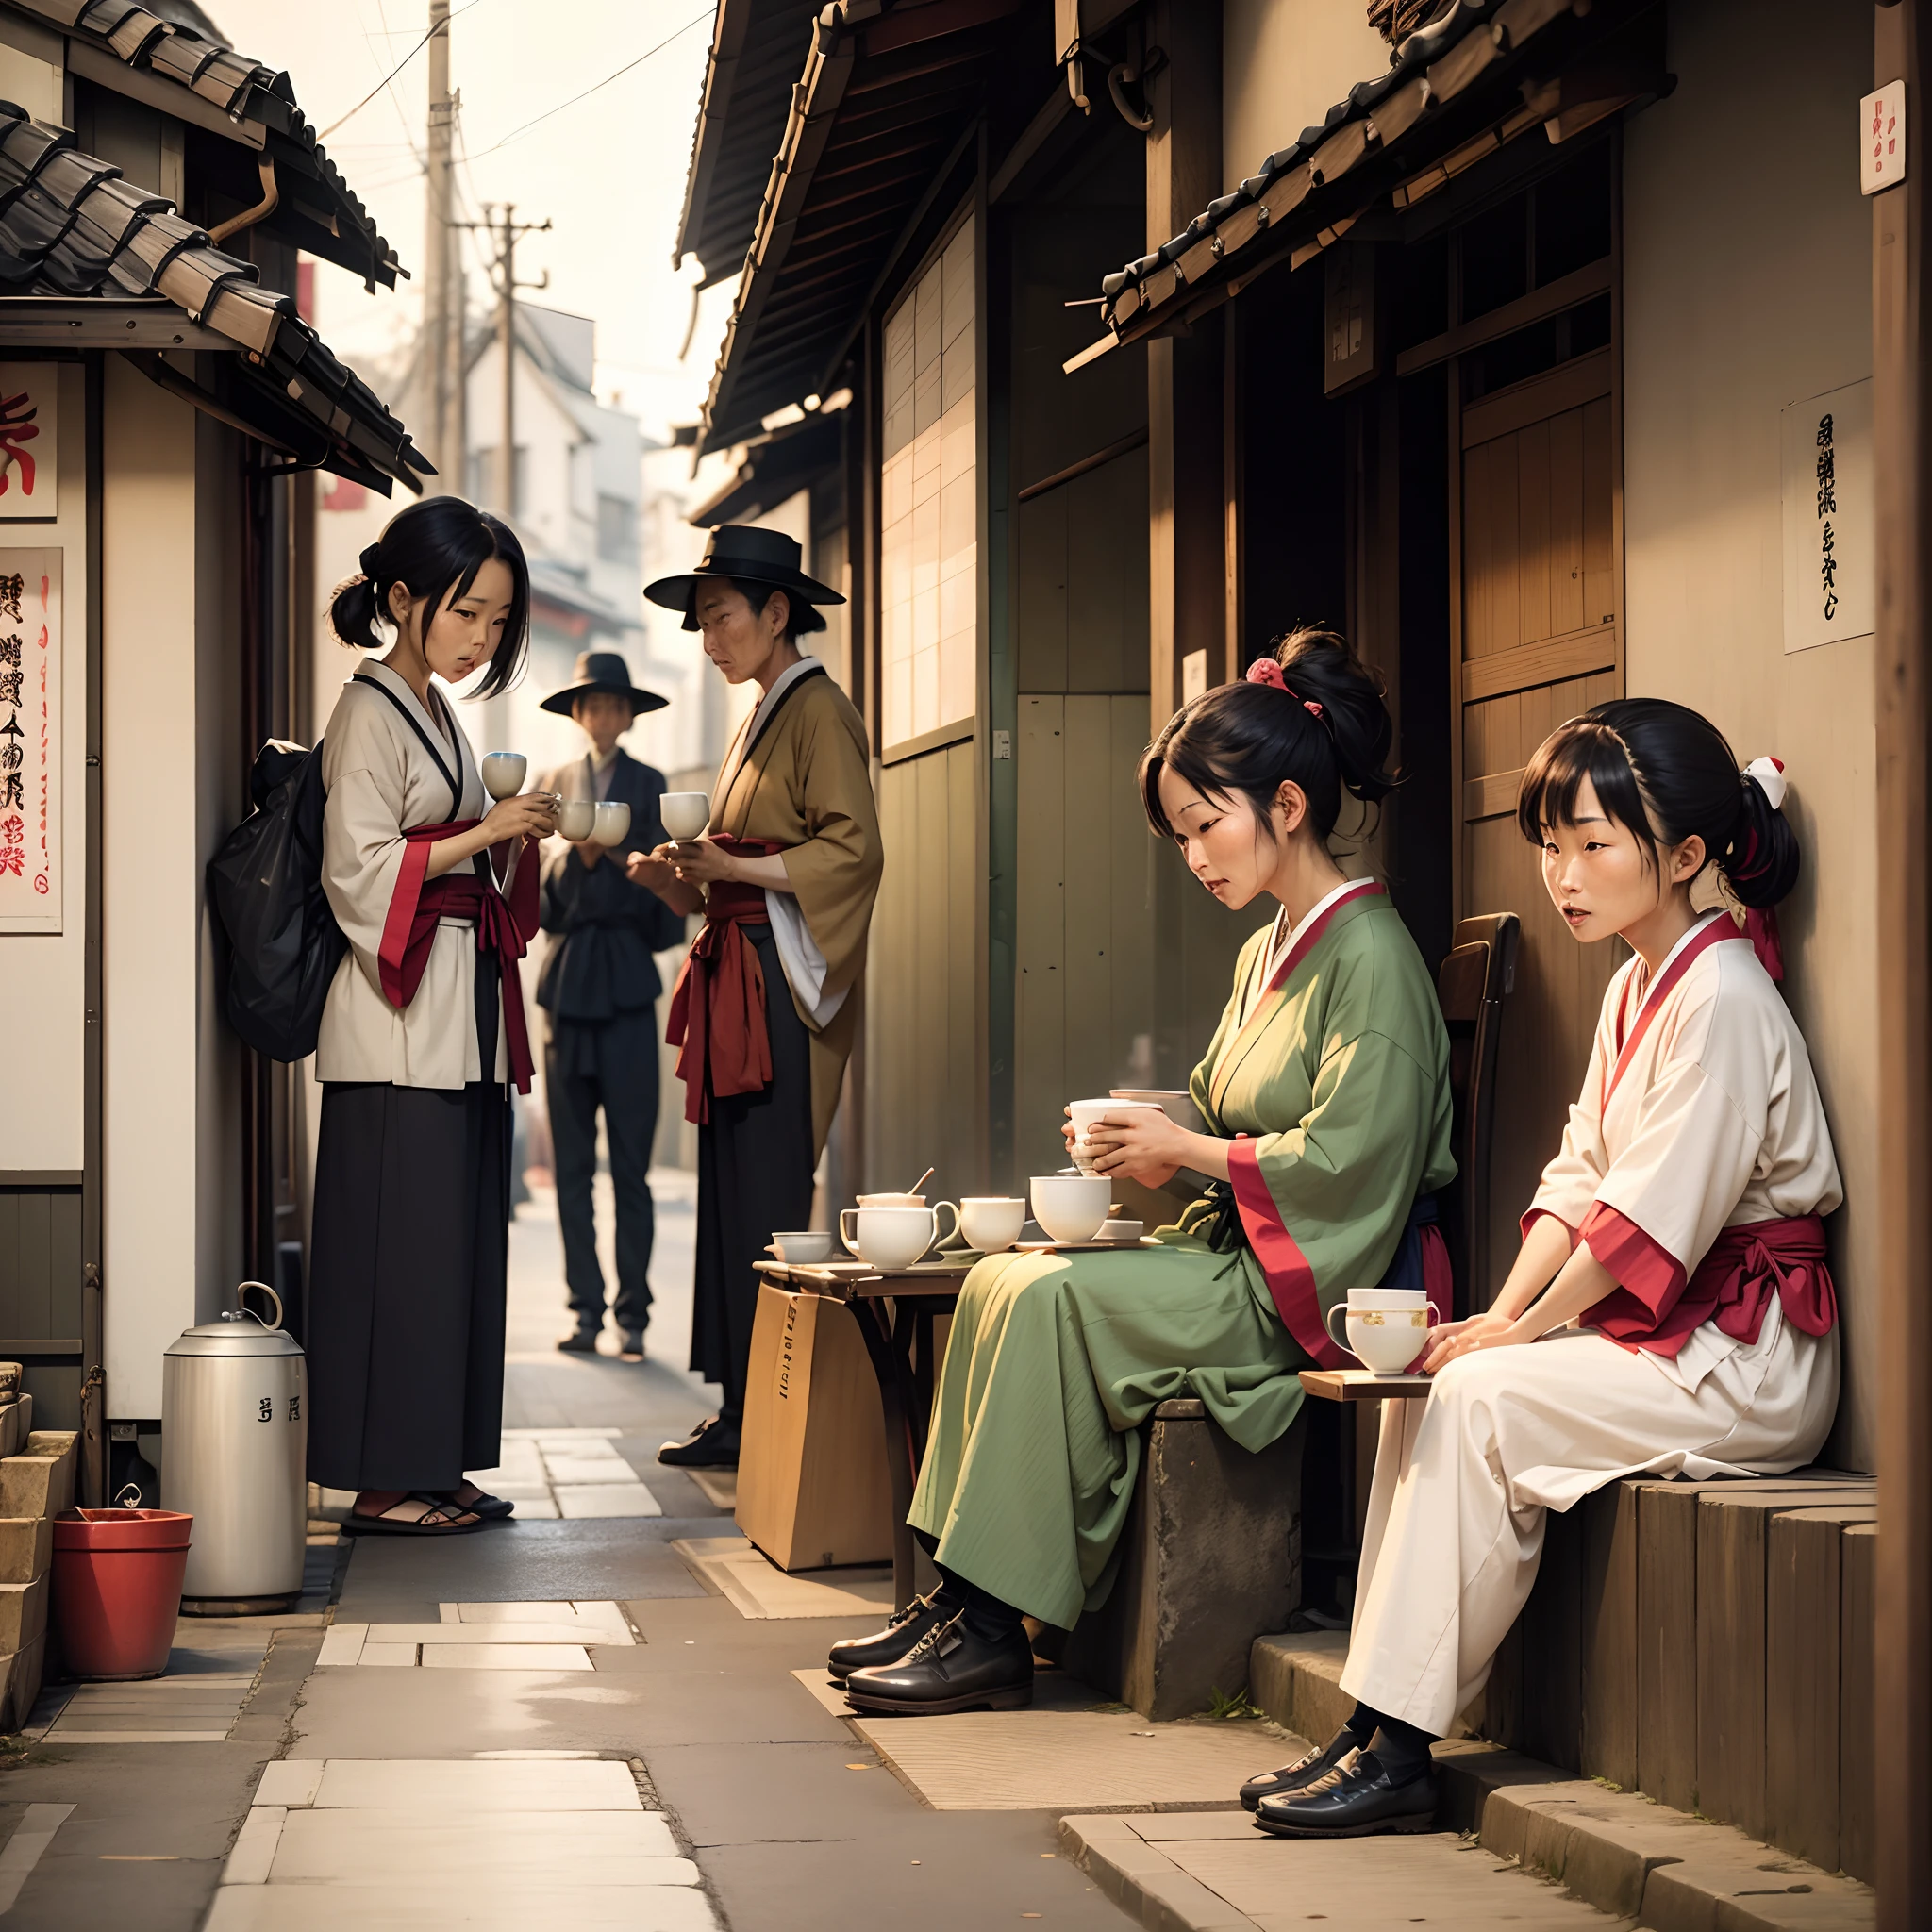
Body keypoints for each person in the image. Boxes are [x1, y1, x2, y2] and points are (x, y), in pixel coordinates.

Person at [829, 629, 1457, 1715]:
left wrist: (1183, 1150)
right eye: (1179, 835)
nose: (1195, 854)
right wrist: (1146, 1129)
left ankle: (987, 1628)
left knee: (1048, 1299)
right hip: (1245, 1249)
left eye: (1206, 823)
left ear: (1289, 807)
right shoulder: (1272, 946)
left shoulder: (1373, 957)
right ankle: (958, 1593)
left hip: (1310, 1278)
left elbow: (1355, 1161)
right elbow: (1224, 1110)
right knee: (996, 1279)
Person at [1247, 699, 1840, 1840]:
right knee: (1435, 1376)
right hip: (1675, 1334)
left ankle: (1403, 1745)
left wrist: (1510, 1339)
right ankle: (1374, 1720)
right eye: (1550, 843)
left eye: (1590, 843)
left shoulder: (1720, 997)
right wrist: (1496, 1314)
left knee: (1475, 1393)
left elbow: (1645, 1222)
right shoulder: (1636, 980)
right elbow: (1578, 1179)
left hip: (1747, 1358)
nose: (1560, 873)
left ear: (1680, 855)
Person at [308, 497, 554, 1536]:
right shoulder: (368, 712)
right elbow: (354, 873)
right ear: (403, 599)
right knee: (397, 1257)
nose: (482, 638)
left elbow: (444, 844)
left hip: (453, 1018)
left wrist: (511, 835)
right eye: (468, 613)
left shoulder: (434, 710)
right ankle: (382, 1477)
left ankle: (434, 1461)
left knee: (447, 1248)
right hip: (396, 1024)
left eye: (498, 621)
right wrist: (482, 833)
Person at [631, 525, 884, 1470]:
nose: (708, 640)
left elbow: (852, 849)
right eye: (700, 623)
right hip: (741, 962)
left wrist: (729, 864)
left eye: (720, 617)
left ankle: (767, 1404)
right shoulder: (766, 709)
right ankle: (740, 1399)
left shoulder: (817, 709)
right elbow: (752, 863)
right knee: (731, 1190)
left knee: (767, 1190)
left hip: (775, 977)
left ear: (777, 614)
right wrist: (681, 878)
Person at [535, 649, 683, 1360]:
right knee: (570, 1168)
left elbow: (668, 904)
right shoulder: (553, 784)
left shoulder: (652, 785)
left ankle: (633, 1314)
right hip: (567, 989)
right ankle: (586, 1311)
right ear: (578, 712)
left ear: (628, 715)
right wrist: (575, 861)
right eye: (591, 705)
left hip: (625, 982)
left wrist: (618, 871)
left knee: (630, 1166)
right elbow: (539, 906)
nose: (603, 716)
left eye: (615, 706)